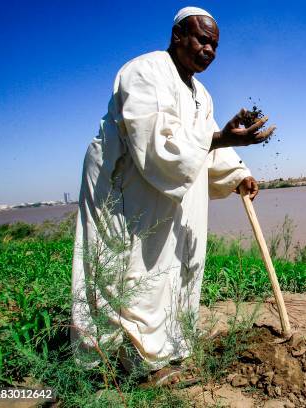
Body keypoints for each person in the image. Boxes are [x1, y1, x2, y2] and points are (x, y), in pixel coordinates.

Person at [70, 6, 275, 380]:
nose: (209, 50)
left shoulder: (202, 94)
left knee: (172, 267)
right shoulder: (144, 72)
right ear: (178, 35)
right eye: (202, 40)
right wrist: (219, 139)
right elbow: (155, 144)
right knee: (131, 269)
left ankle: (162, 350)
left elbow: (209, 143)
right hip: (125, 186)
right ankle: (119, 365)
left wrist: (237, 173)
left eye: (215, 45)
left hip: (172, 193)